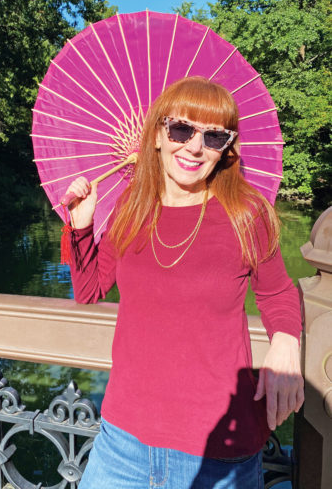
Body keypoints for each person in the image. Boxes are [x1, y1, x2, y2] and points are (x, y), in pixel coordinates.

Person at [65, 77, 304, 489]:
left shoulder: (247, 214)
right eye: (181, 129)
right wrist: (82, 225)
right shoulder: (130, 208)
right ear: (158, 134)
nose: (194, 147)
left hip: (218, 453)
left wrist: (286, 342)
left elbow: (277, 292)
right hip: (123, 441)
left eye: (214, 136)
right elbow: (89, 290)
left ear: (226, 148)